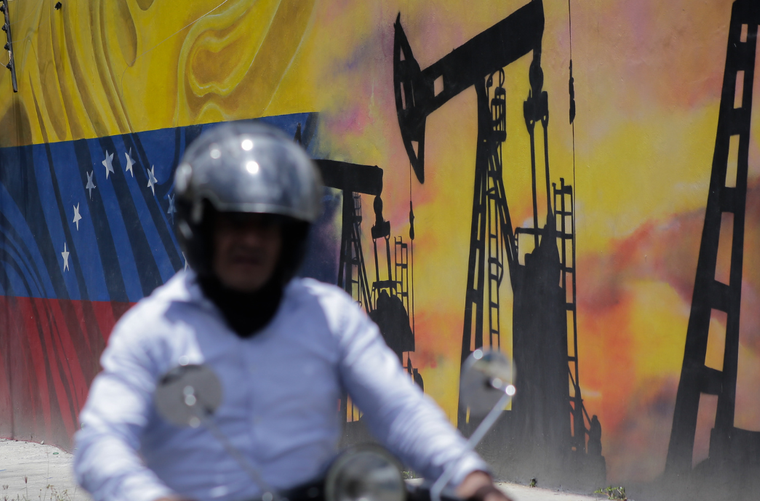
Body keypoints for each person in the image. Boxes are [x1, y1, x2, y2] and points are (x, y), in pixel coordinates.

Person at [73, 121, 511, 501]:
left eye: (267, 225)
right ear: (201, 229)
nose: (250, 240)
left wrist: (470, 477)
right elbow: (101, 441)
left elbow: (400, 410)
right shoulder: (153, 329)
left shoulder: (329, 317)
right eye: (233, 223)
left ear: (291, 236)